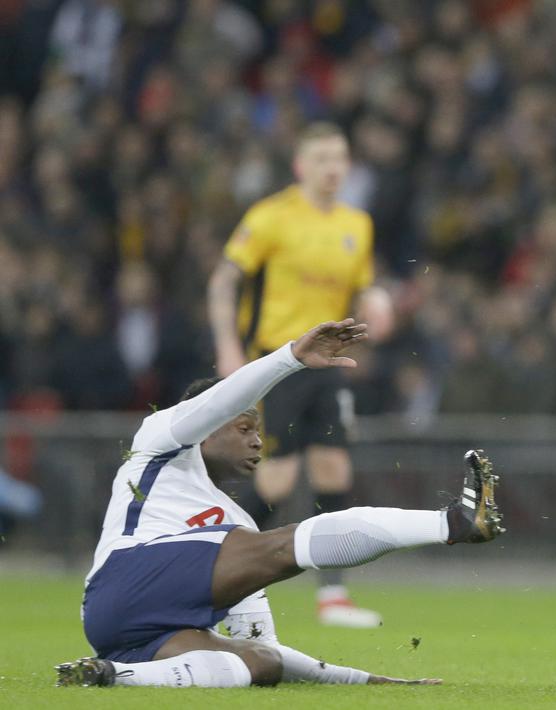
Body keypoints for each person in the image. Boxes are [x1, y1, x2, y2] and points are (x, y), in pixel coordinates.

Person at [56, 319, 504, 688]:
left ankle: (113, 674)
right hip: (120, 582)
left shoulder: (235, 524)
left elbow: (266, 644)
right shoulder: (159, 441)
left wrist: (368, 682)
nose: (257, 442)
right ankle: (453, 523)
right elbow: (222, 399)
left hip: (131, 634)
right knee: (281, 545)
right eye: (245, 428)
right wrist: (290, 358)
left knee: (260, 663)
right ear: (207, 427)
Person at [208, 121, 395, 628]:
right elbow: (224, 281)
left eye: (339, 158)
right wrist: (228, 346)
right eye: (321, 159)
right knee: (274, 481)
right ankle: (216, 569)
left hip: (329, 364)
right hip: (278, 362)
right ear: (300, 166)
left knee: (335, 469)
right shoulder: (272, 216)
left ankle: (332, 596)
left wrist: (374, 298)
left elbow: (360, 288)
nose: (332, 168)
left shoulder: (357, 224)